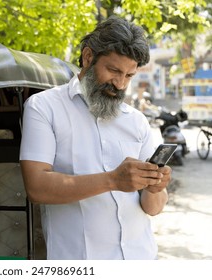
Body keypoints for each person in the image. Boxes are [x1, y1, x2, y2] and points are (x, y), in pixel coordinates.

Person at [19, 16, 171, 260]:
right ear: (88, 57)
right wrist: (112, 180)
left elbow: (153, 208)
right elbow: (36, 187)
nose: (120, 84)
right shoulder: (44, 108)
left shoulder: (136, 120)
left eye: (129, 76)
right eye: (113, 70)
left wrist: (155, 187)